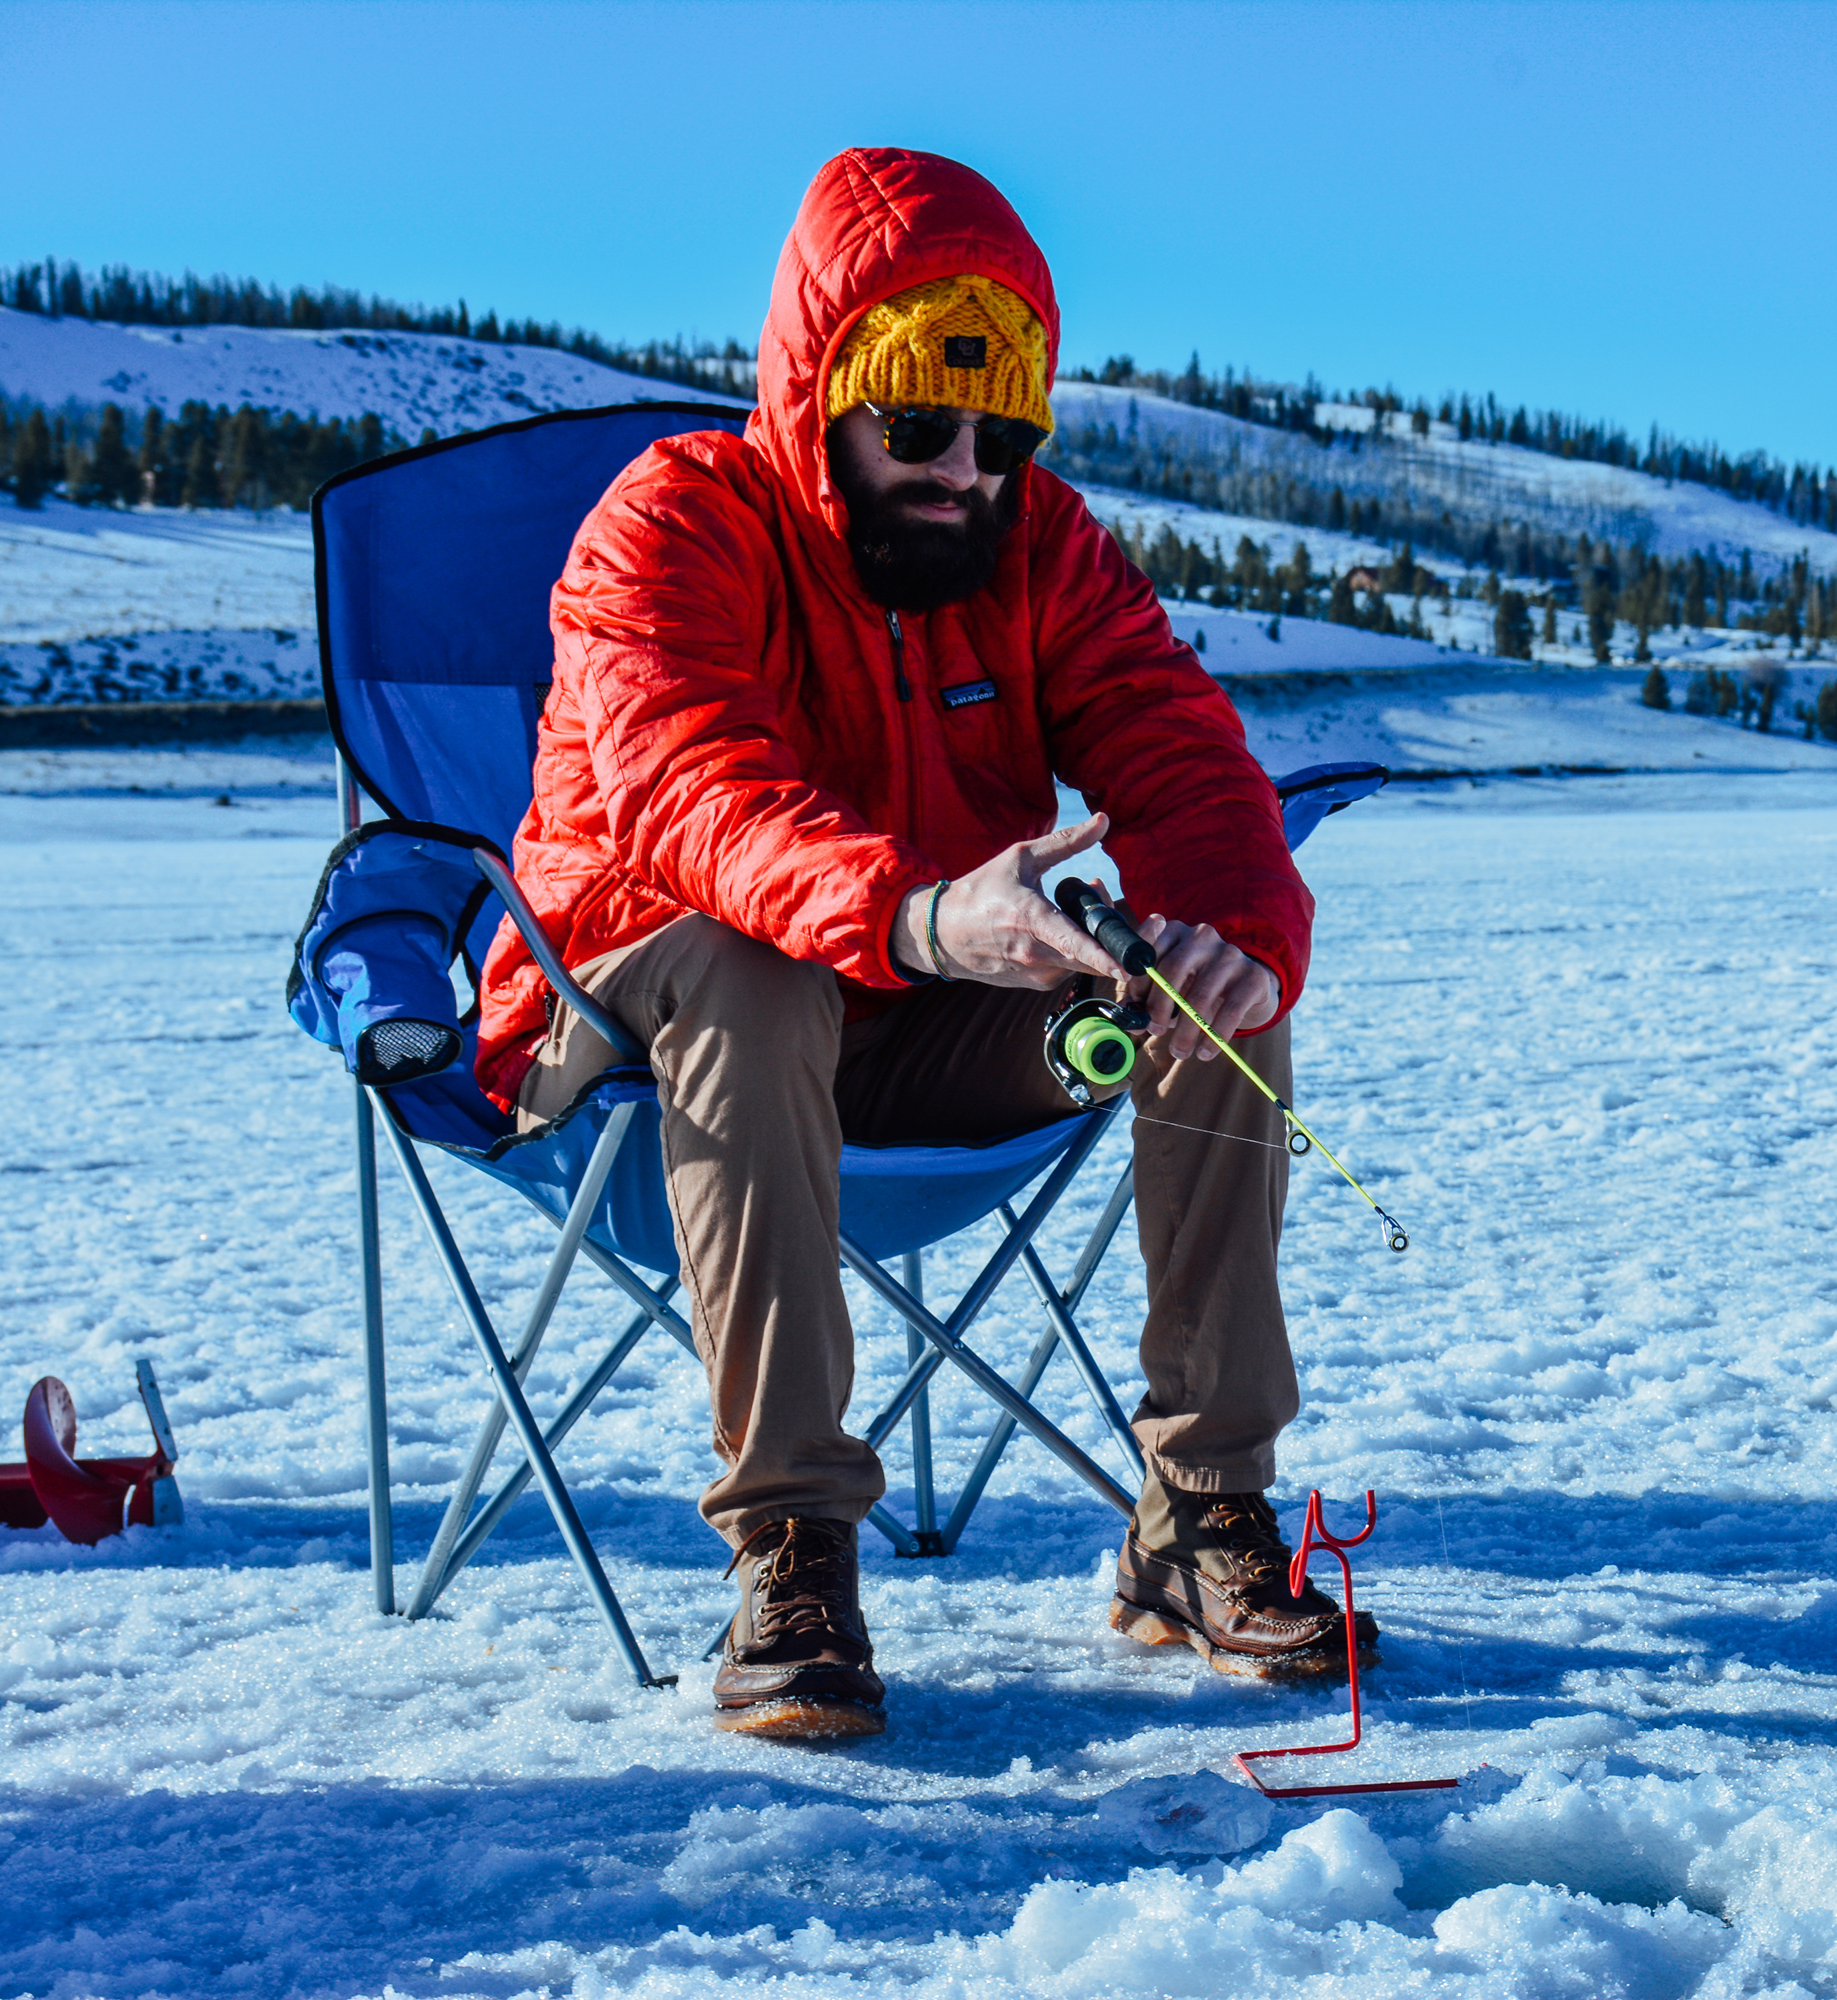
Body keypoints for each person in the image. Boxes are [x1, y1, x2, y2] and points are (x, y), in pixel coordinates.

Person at [472, 147, 1368, 1742]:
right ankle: (794, 1551)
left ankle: (1200, 1517)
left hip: (925, 1013)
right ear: (822, 397)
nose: (965, 468)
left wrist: (1231, 932)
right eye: (919, 426)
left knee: (1195, 989)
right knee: (752, 964)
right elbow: (692, 801)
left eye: (1000, 433)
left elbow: (1175, 748)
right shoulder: (670, 526)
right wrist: (920, 911)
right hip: (627, 1041)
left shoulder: (1041, 551)